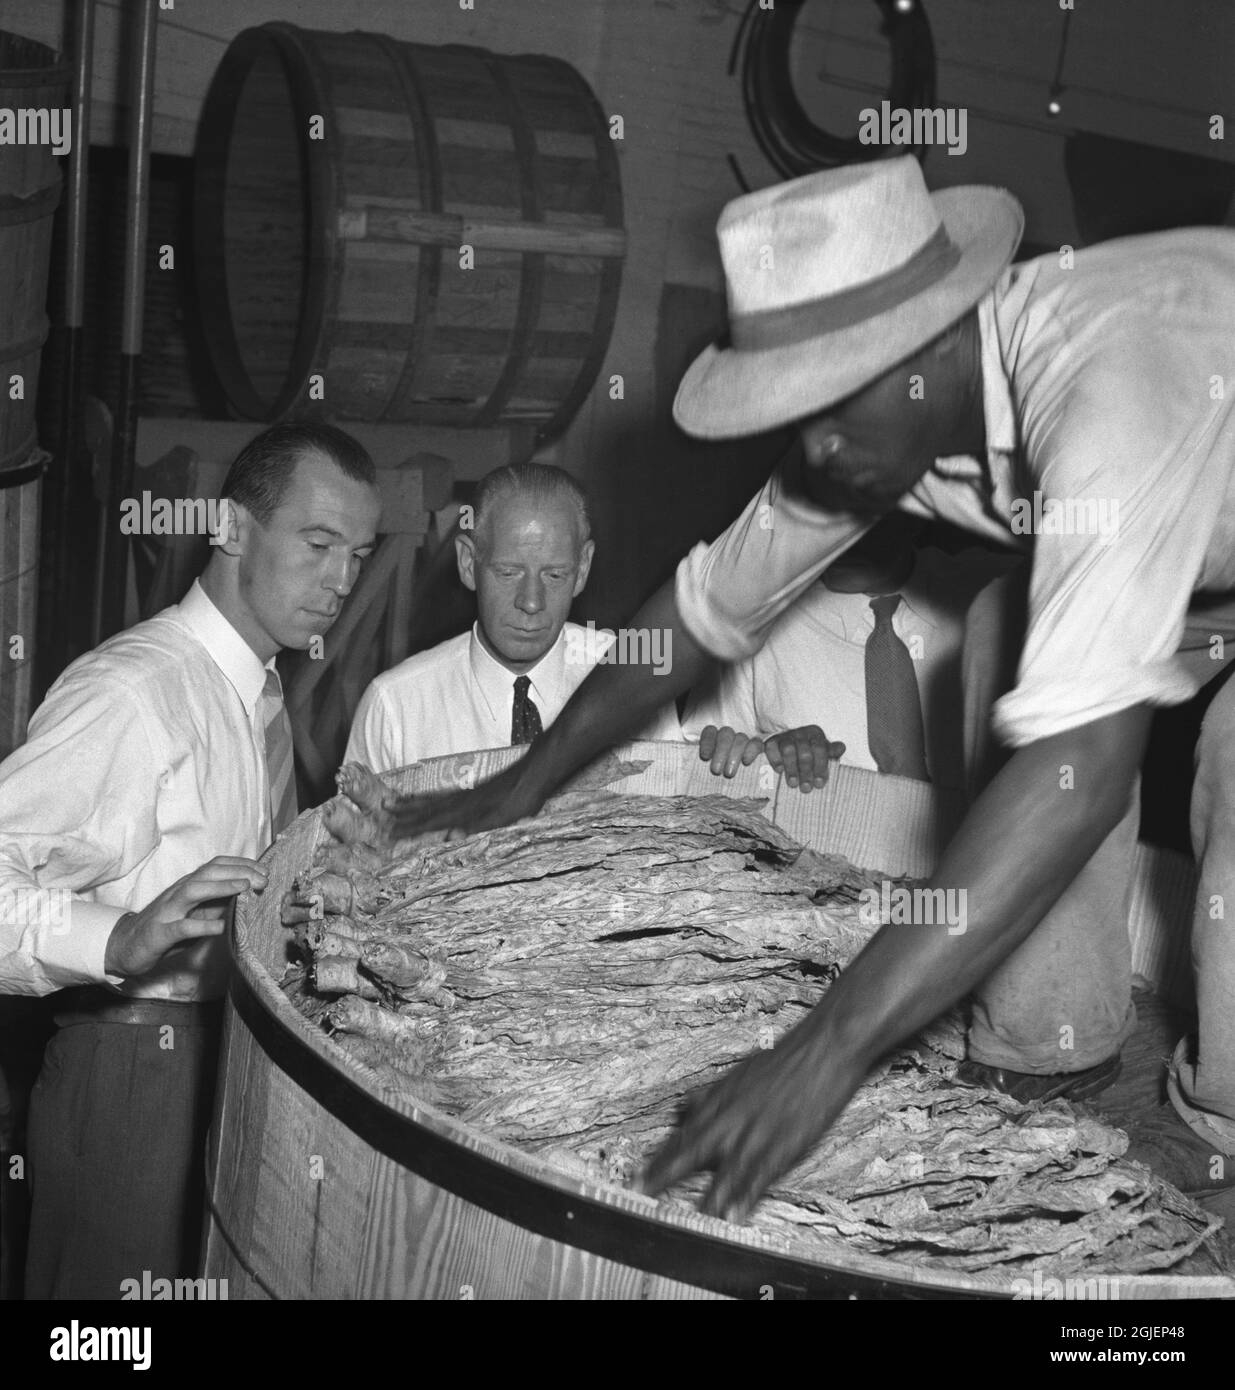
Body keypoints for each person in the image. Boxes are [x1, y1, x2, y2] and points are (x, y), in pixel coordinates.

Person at [381, 155, 1235, 1222]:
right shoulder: (876, 421)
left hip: (1188, 469)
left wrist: (825, 1050)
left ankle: (1220, 1137)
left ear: (933, 336)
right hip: (1195, 536)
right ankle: (1044, 1044)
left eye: (827, 406)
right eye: (795, 413)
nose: (814, 444)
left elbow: (1081, 770)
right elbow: (694, 622)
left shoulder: (1109, 394)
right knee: (996, 636)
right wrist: (529, 777)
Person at [0, 420, 381, 1298]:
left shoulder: (255, 693)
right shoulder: (133, 692)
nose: (341, 583)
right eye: (318, 544)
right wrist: (119, 935)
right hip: (132, 1075)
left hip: (226, 1058)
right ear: (232, 529)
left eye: (358, 555)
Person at [344, 462, 679, 772]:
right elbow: (355, 835)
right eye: (508, 573)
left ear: (583, 568)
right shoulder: (396, 708)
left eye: (555, 575)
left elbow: (677, 819)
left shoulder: (635, 678)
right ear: (467, 563)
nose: (531, 602)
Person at [683, 512, 1014, 792]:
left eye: (858, 515)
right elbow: (698, 762)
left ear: (915, 513)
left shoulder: (1000, 589)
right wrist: (767, 755)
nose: (835, 538)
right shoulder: (749, 618)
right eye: (822, 515)